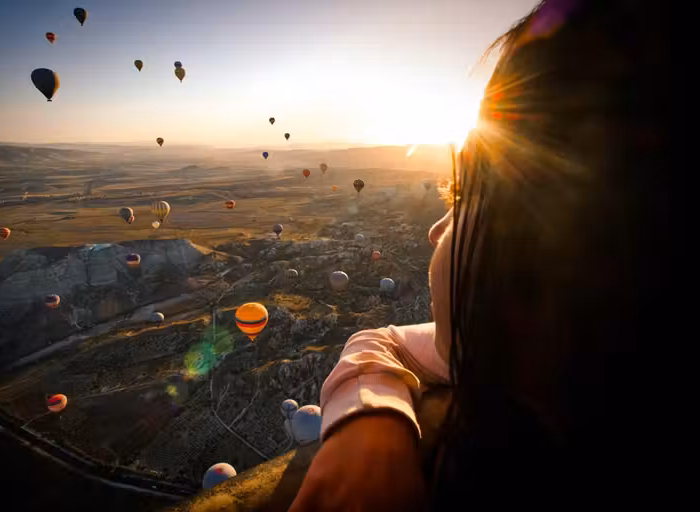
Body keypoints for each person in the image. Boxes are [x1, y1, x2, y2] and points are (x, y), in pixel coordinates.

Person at [290, 0, 691, 510]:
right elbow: (381, 340)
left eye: (466, 196)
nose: (436, 229)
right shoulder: (539, 355)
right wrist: (369, 430)